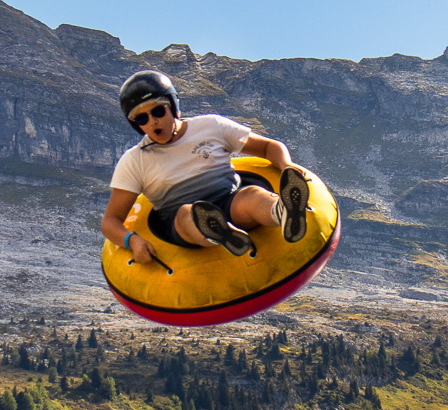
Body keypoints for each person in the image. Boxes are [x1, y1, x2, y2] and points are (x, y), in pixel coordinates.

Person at [102, 69, 310, 265]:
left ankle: (282, 211)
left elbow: (268, 147)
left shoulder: (211, 126)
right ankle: (218, 232)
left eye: (158, 111)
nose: (153, 121)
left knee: (251, 195)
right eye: (142, 118)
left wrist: (286, 165)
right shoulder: (135, 160)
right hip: (180, 220)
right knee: (188, 213)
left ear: (172, 106)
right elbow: (111, 220)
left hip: (228, 200)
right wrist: (132, 240)